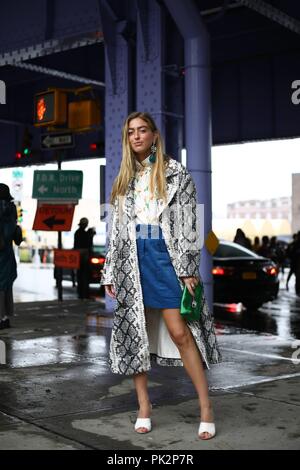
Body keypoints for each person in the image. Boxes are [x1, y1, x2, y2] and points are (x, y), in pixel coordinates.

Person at [101, 112, 222, 440]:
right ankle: (144, 406)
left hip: (165, 257)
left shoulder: (175, 173)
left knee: (180, 332)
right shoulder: (124, 178)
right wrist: (111, 270)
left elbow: (188, 223)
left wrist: (187, 270)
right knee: (136, 335)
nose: (137, 137)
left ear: (155, 135)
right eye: (131, 132)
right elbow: (116, 231)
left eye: (142, 131)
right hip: (131, 260)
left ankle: (206, 407)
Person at [0, 184, 22, 329]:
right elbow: (14, 229)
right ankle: (6, 317)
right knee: (6, 286)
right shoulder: (12, 208)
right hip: (7, 252)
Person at [74, 217, 93, 299]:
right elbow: (88, 244)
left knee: (81, 276)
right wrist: (90, 235)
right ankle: (83, 294)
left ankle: (82, 294)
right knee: (84, 276)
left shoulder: (78, 232)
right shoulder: (81, 233)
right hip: (83, 257)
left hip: (80, 257)